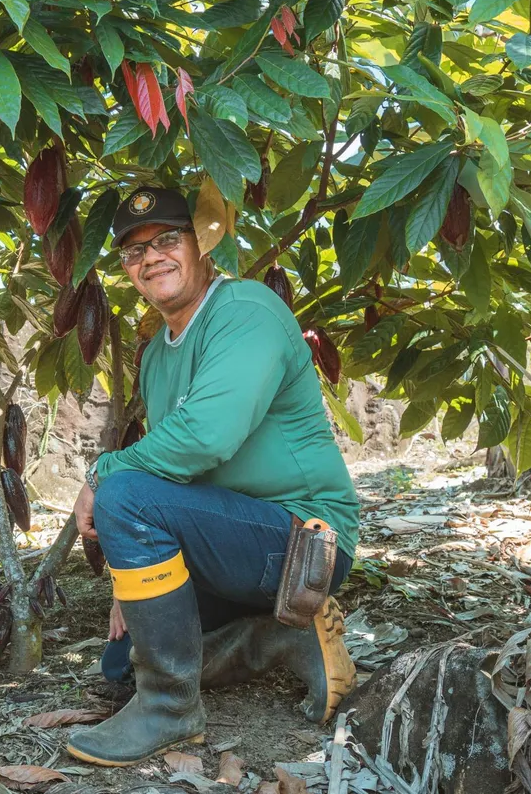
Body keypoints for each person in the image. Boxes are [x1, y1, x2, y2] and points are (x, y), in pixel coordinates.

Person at [65, 186, 361, 767]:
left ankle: (173, 711)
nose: (151, 258)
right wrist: (133, 573)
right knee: (123, 663)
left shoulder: (245, 309)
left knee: (123, 490)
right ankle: (276, 638)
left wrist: (102, 478)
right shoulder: (155, 357)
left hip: (304, 540)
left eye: (167, 239)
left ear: (202, 243)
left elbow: (205, 437)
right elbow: (172, 471)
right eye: (133, 251)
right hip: (227, 539)